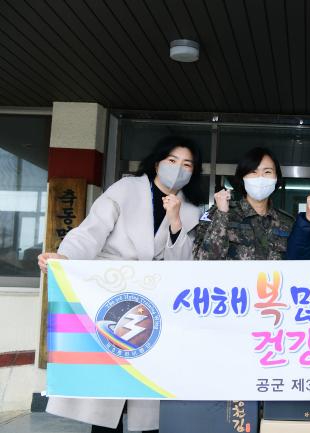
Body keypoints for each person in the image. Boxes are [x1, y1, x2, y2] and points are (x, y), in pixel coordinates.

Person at [38, 136, 204, 433]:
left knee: (149, 393)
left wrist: (176, 220)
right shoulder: (125, 190)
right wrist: (66, 257)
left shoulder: (191, 211)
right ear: (157, 163)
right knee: (108, 390)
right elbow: (90, 232)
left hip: (155, 310)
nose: (179, 169)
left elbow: (184, 266)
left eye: (187, 164)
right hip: (112, 299)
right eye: (172, 161)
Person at [192, 147, 294, 260]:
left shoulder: (287, 222)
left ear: (276, 178)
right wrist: (221, 215)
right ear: (243, 177)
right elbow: (201, 261)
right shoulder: (218, 213)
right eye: (253, 172)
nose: (260, 178)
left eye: (267, 172)